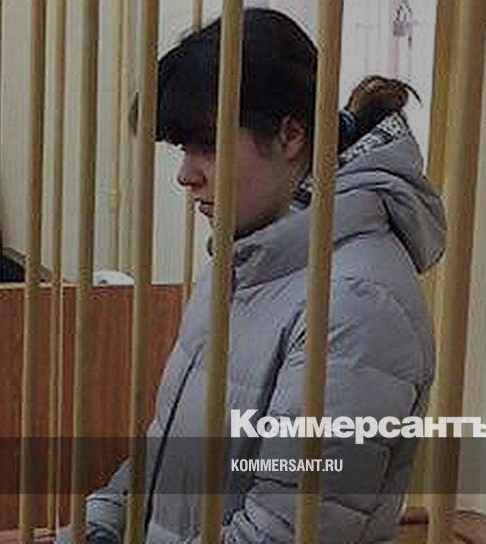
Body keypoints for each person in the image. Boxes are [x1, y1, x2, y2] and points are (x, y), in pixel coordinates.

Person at [71, 8, 445, 543]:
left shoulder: (356, 305)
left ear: (290, 134)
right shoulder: (247, 263)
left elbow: (280, 532)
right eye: (183, 148)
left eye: (207, 146)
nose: (186, 174)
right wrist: (99, 525)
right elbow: (164, 456)